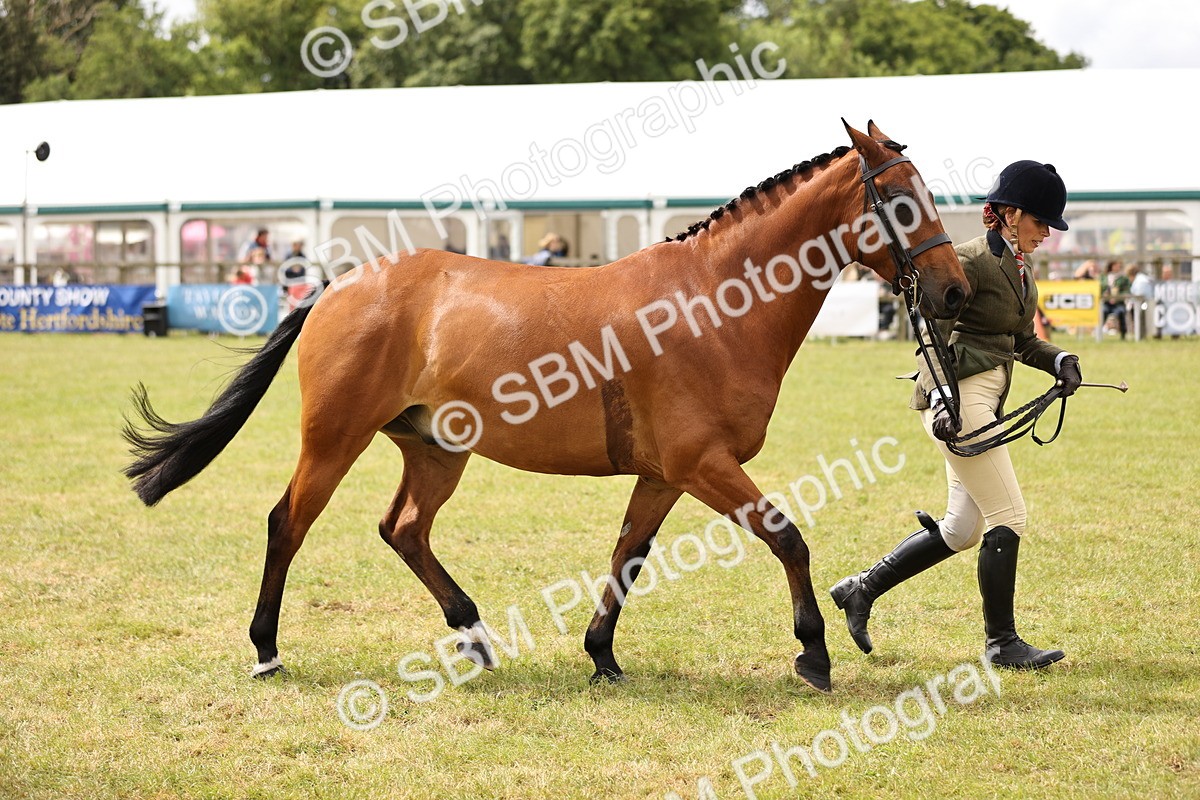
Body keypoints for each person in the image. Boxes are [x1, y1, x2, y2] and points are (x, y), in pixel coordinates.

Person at [830, 160, 1083, 670]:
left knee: (962, 529)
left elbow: (1019, 340)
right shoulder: (967, 260)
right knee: (1009, 515)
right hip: (959, 400)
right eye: (1039, 224)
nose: (1045, 236)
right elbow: (929, 331)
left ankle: (861, 590)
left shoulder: (1018, 267)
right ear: (1010, 214)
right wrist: (943, 398)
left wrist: (1058, 359)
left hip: (984, 398)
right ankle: (1001, 644)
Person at [1102, 260, 1130, 338]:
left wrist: (1117, 297)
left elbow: (1127, 290)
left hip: (1119, 303)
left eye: (1118, 266)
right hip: (1106, 303)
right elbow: (1100, 288)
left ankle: (1123, 334)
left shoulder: (1123, 278)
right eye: (1115, 265)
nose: (1117, 267)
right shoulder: (1104, 277)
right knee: (1103, 312)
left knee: (1121, 312)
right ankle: (1099, 334)